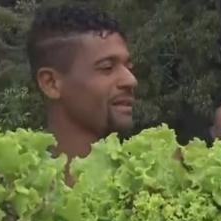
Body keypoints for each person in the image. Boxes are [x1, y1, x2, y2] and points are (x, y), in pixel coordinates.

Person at [26, 3, 138, 186]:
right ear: (51, 83)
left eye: (128, 67)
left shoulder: (156, 188)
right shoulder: (12, 203)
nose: (131, 80)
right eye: (107, 68)